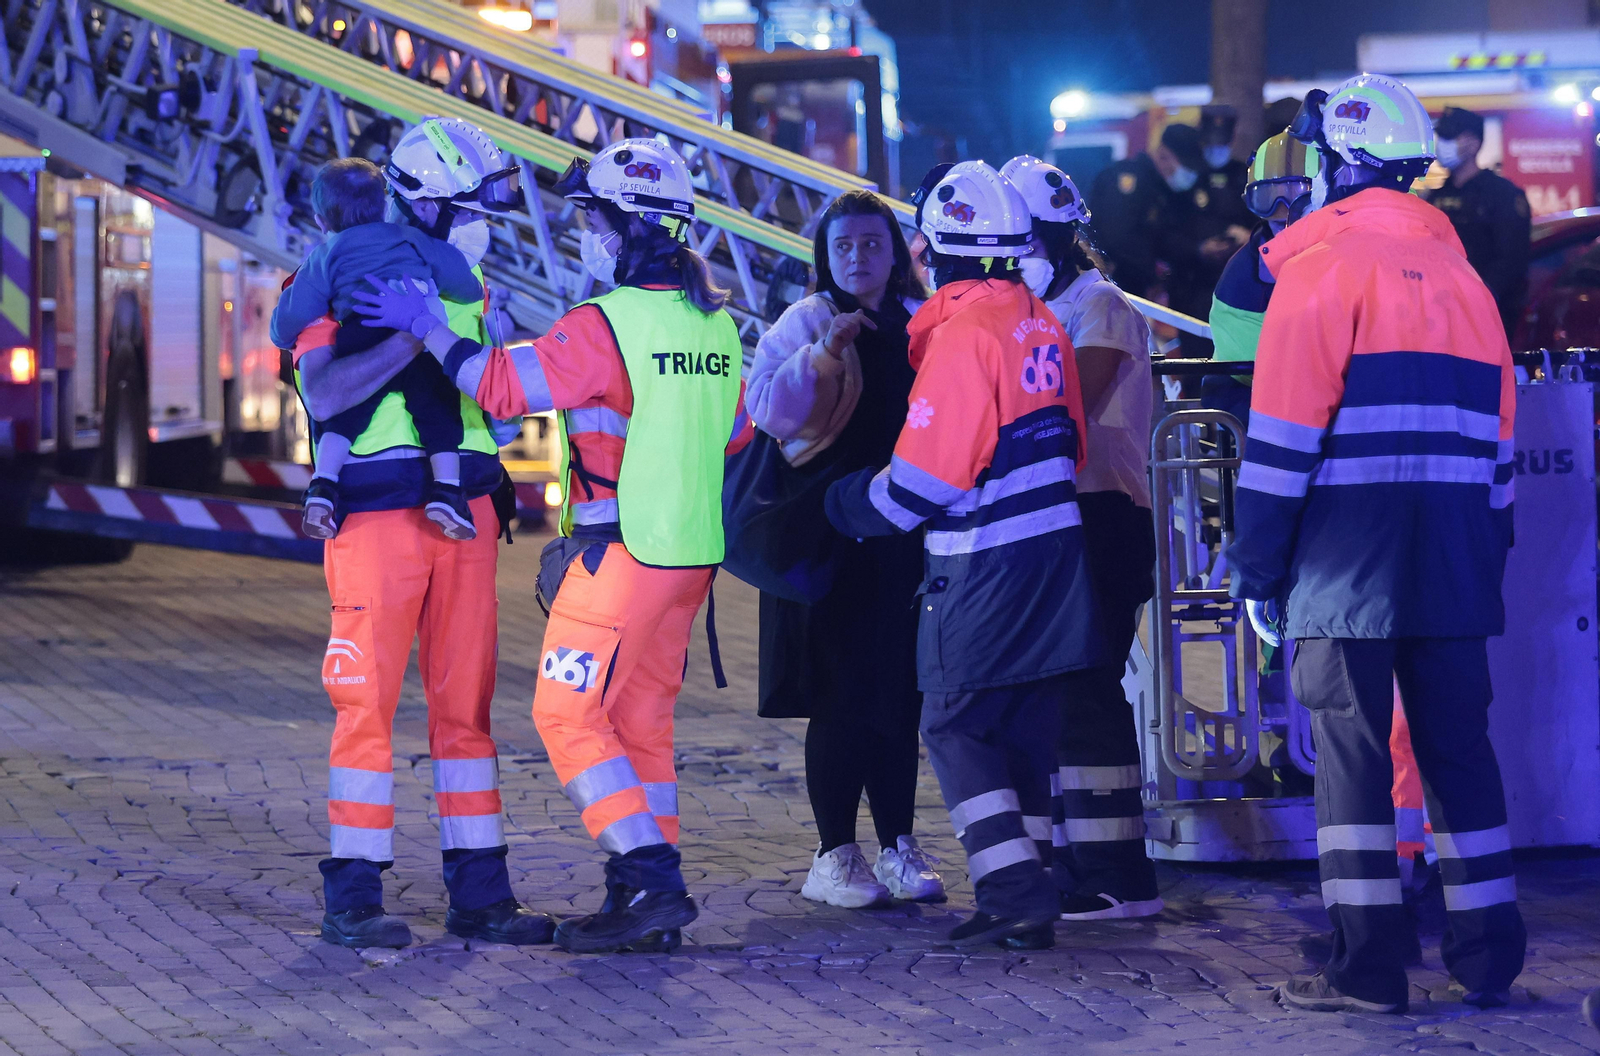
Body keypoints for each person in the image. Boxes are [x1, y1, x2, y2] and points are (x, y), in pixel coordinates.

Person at [355, 138, 752, 955]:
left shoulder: (604, 323)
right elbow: (736, 432)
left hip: (618, 559)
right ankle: (640, 905)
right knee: (640, 725)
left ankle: (653, 879)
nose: (586, 235)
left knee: (565, 714)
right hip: (689, 559)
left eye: (594, 220)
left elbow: (502, 389)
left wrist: (428, 327)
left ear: (628, 227)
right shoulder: (716, 324)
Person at [1230, 73, 1525, 1013]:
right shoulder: (1465, 280)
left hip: (1344, 564)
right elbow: (1502, 448)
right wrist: (1485, 548)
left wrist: (1256, 568)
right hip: (1455, 558)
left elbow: (1281, 446)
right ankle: (1489, 957)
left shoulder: (1319, 271)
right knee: (1460, 754)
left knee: (1353, 760)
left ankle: (1366, 969)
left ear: (1339, 162)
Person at [826, 161, 1105, 950]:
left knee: (952, 721)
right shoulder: (1038, 319)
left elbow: (920, 486)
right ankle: (1030, 886)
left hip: (985, 560)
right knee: (1023, 729)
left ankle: (1014, 892)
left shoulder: (963, 335)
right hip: (1056, 555)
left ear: (933, 249)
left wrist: (846, 503)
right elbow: (1073, 440)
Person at [293, 117, 552, 950]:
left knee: (466, 710)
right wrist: (414, 332)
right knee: (364, 706)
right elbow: (326, 393)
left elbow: (489, 394)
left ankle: (482, 895)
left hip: (465, 511)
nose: (481, 224)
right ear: (421, 201)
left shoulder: (465, 283)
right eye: (468, 208)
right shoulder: (334, 271)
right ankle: (353, 897)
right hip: (374, 518)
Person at [744, 190, 946, 909]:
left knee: (899, 697)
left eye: (871, 243)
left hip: (902, 536)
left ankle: (898, 846)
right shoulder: (806, 319)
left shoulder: (922, 319)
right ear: (824, 256)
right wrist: (825, 354)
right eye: (844, 246)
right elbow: (768, 412)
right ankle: (834, 856)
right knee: (840, 697)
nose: (858, 256)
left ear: (895, 252)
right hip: (825, 538)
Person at [1001, 154, 1162, 921]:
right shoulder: (1035, 303)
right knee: (1062, 693)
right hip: (1057, 516)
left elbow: (1064, 406)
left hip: (1102, 516)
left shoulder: (1097, 305)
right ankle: (1077, 863)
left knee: (1090, 691)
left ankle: (1118, 874)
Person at [272, 157, 484, 541]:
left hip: (363, 333)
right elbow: (466, 286)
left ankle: (322, 486)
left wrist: (282, 336)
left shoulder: (325, 256)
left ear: (320, 221)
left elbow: (291, 318)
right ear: (385, 204)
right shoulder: (410, 238)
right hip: (416, 333)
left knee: (345, 418)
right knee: (438, 409)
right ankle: (448, 492)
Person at [1200, 129, 1319, 426]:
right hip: (1269, 416)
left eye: (1297, 194)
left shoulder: (1350, 255)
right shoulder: (1243, 275)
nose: (1282, 212)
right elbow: (1252, 366)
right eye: (1267, 195)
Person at [1426, 107, 1532, 340]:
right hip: (1439, 314)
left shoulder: (1502, 194)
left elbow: (1511, 260)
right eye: (1441, 137)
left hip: (1487, 316)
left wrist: (1476, 298)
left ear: (1474, 143)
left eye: (1450, 137)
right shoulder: (1435, 197)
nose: (1442, 144)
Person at [1088, 122, 1206, 301]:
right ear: (1163, 155)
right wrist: (1153, 273)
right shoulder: (1128, 179)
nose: (1190, 174)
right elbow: (1119, 237)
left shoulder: (1166, 191)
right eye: (1186, 166)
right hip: (1112, 286)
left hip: (1138, 291)